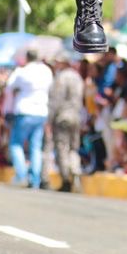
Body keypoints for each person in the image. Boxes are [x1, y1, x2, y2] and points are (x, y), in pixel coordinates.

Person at [5, 49, 53, 189]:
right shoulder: (46, 71)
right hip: (41, 111)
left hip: (24, 111)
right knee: (35, 146)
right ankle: (34, 179)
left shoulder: (23, 71)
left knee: (16, 144)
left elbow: (10, 86)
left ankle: (21, 175)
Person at [49, 54, 85, 192]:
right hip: (76, 115)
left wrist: (50, 119)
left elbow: (56, 101)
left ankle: (66, 179)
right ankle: (75, 170)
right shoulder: (77, 77)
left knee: (62, 147)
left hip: (63, 116)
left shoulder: (61, 78)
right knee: (73, 147)